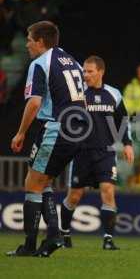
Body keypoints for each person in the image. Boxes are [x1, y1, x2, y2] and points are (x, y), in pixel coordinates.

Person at [6, 20, 88, 257]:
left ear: (41, 41)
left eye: (30, 40)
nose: (27, 45)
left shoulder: (40, 63)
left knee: (32, 183)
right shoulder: (71, 60)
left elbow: (34, 102)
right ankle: (53, 235)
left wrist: (21, 132)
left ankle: (30, 245)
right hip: (79, 128)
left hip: (57, 127)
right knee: (45, 182)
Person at [60, 55, 134, 250]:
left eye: (90, 71)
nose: (86, 75)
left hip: (106, 153)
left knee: (108, 191)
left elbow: (123, 121)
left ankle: (108, 239)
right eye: (84, 71)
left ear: (101, 72)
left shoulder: (114, 94)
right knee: (74, 197)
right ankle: (64, 233)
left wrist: (127, 144)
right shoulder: (77, 94)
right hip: (81, 154)